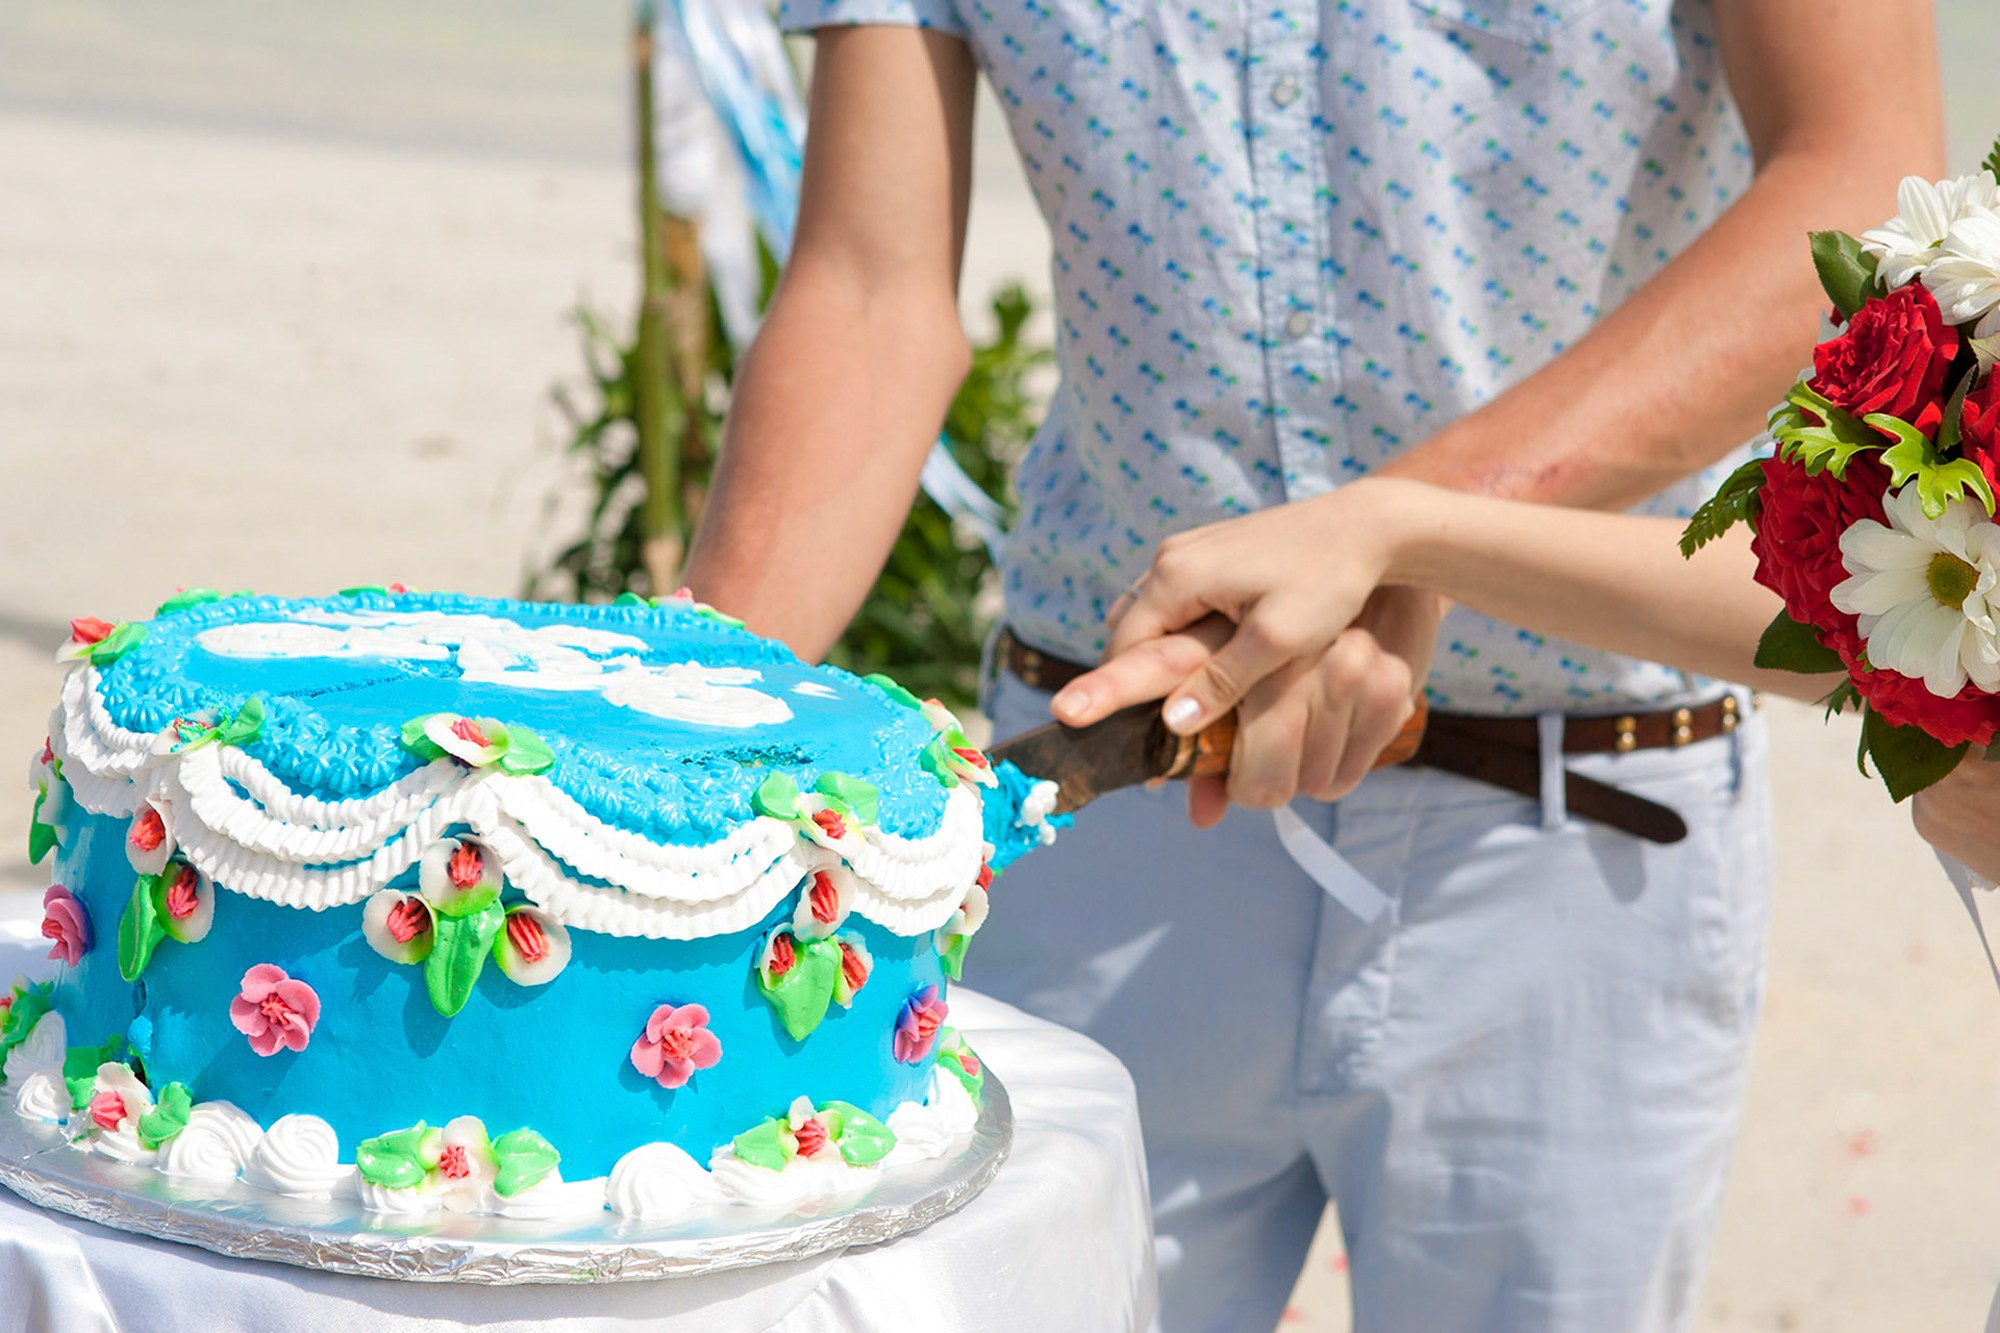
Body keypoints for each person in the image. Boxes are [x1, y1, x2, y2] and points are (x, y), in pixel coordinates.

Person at [683, 4, 1943, 1328]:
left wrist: (1398, 538)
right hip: (1103, 800)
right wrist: (665, 724)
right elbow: (870, 283)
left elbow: (1859, 189)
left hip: (1575, 840)